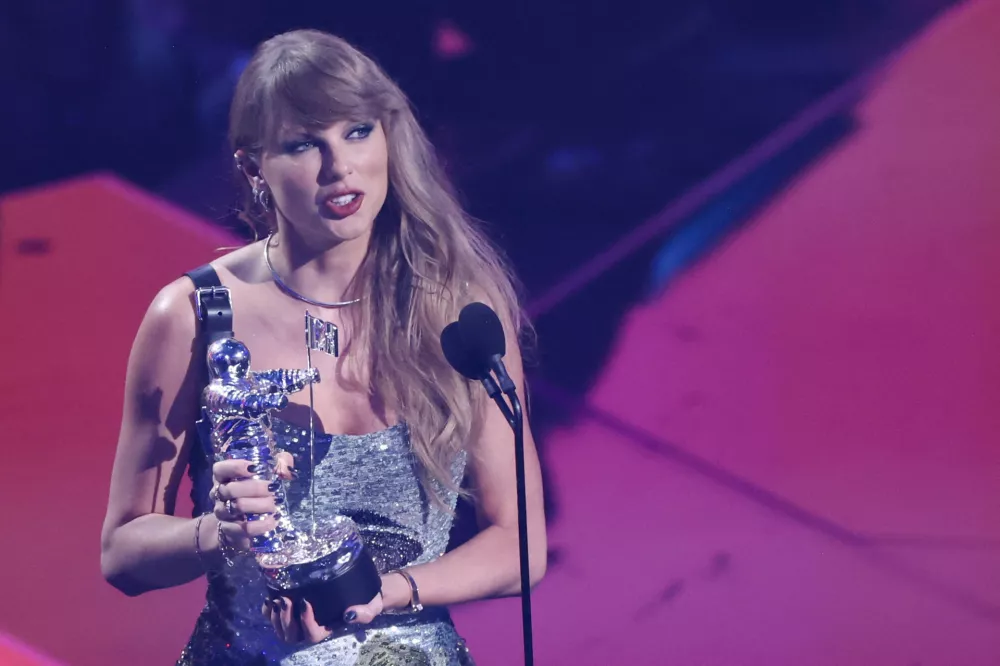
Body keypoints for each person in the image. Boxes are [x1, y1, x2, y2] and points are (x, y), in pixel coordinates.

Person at [100, 28, 547, 666]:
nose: (339, 168)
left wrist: (388, 593)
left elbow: (519, 543)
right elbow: (122, 555)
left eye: (357, 132)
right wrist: (215, 532)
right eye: (304, 144)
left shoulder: (456, 307)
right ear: (253, 167)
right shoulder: (194, 316)